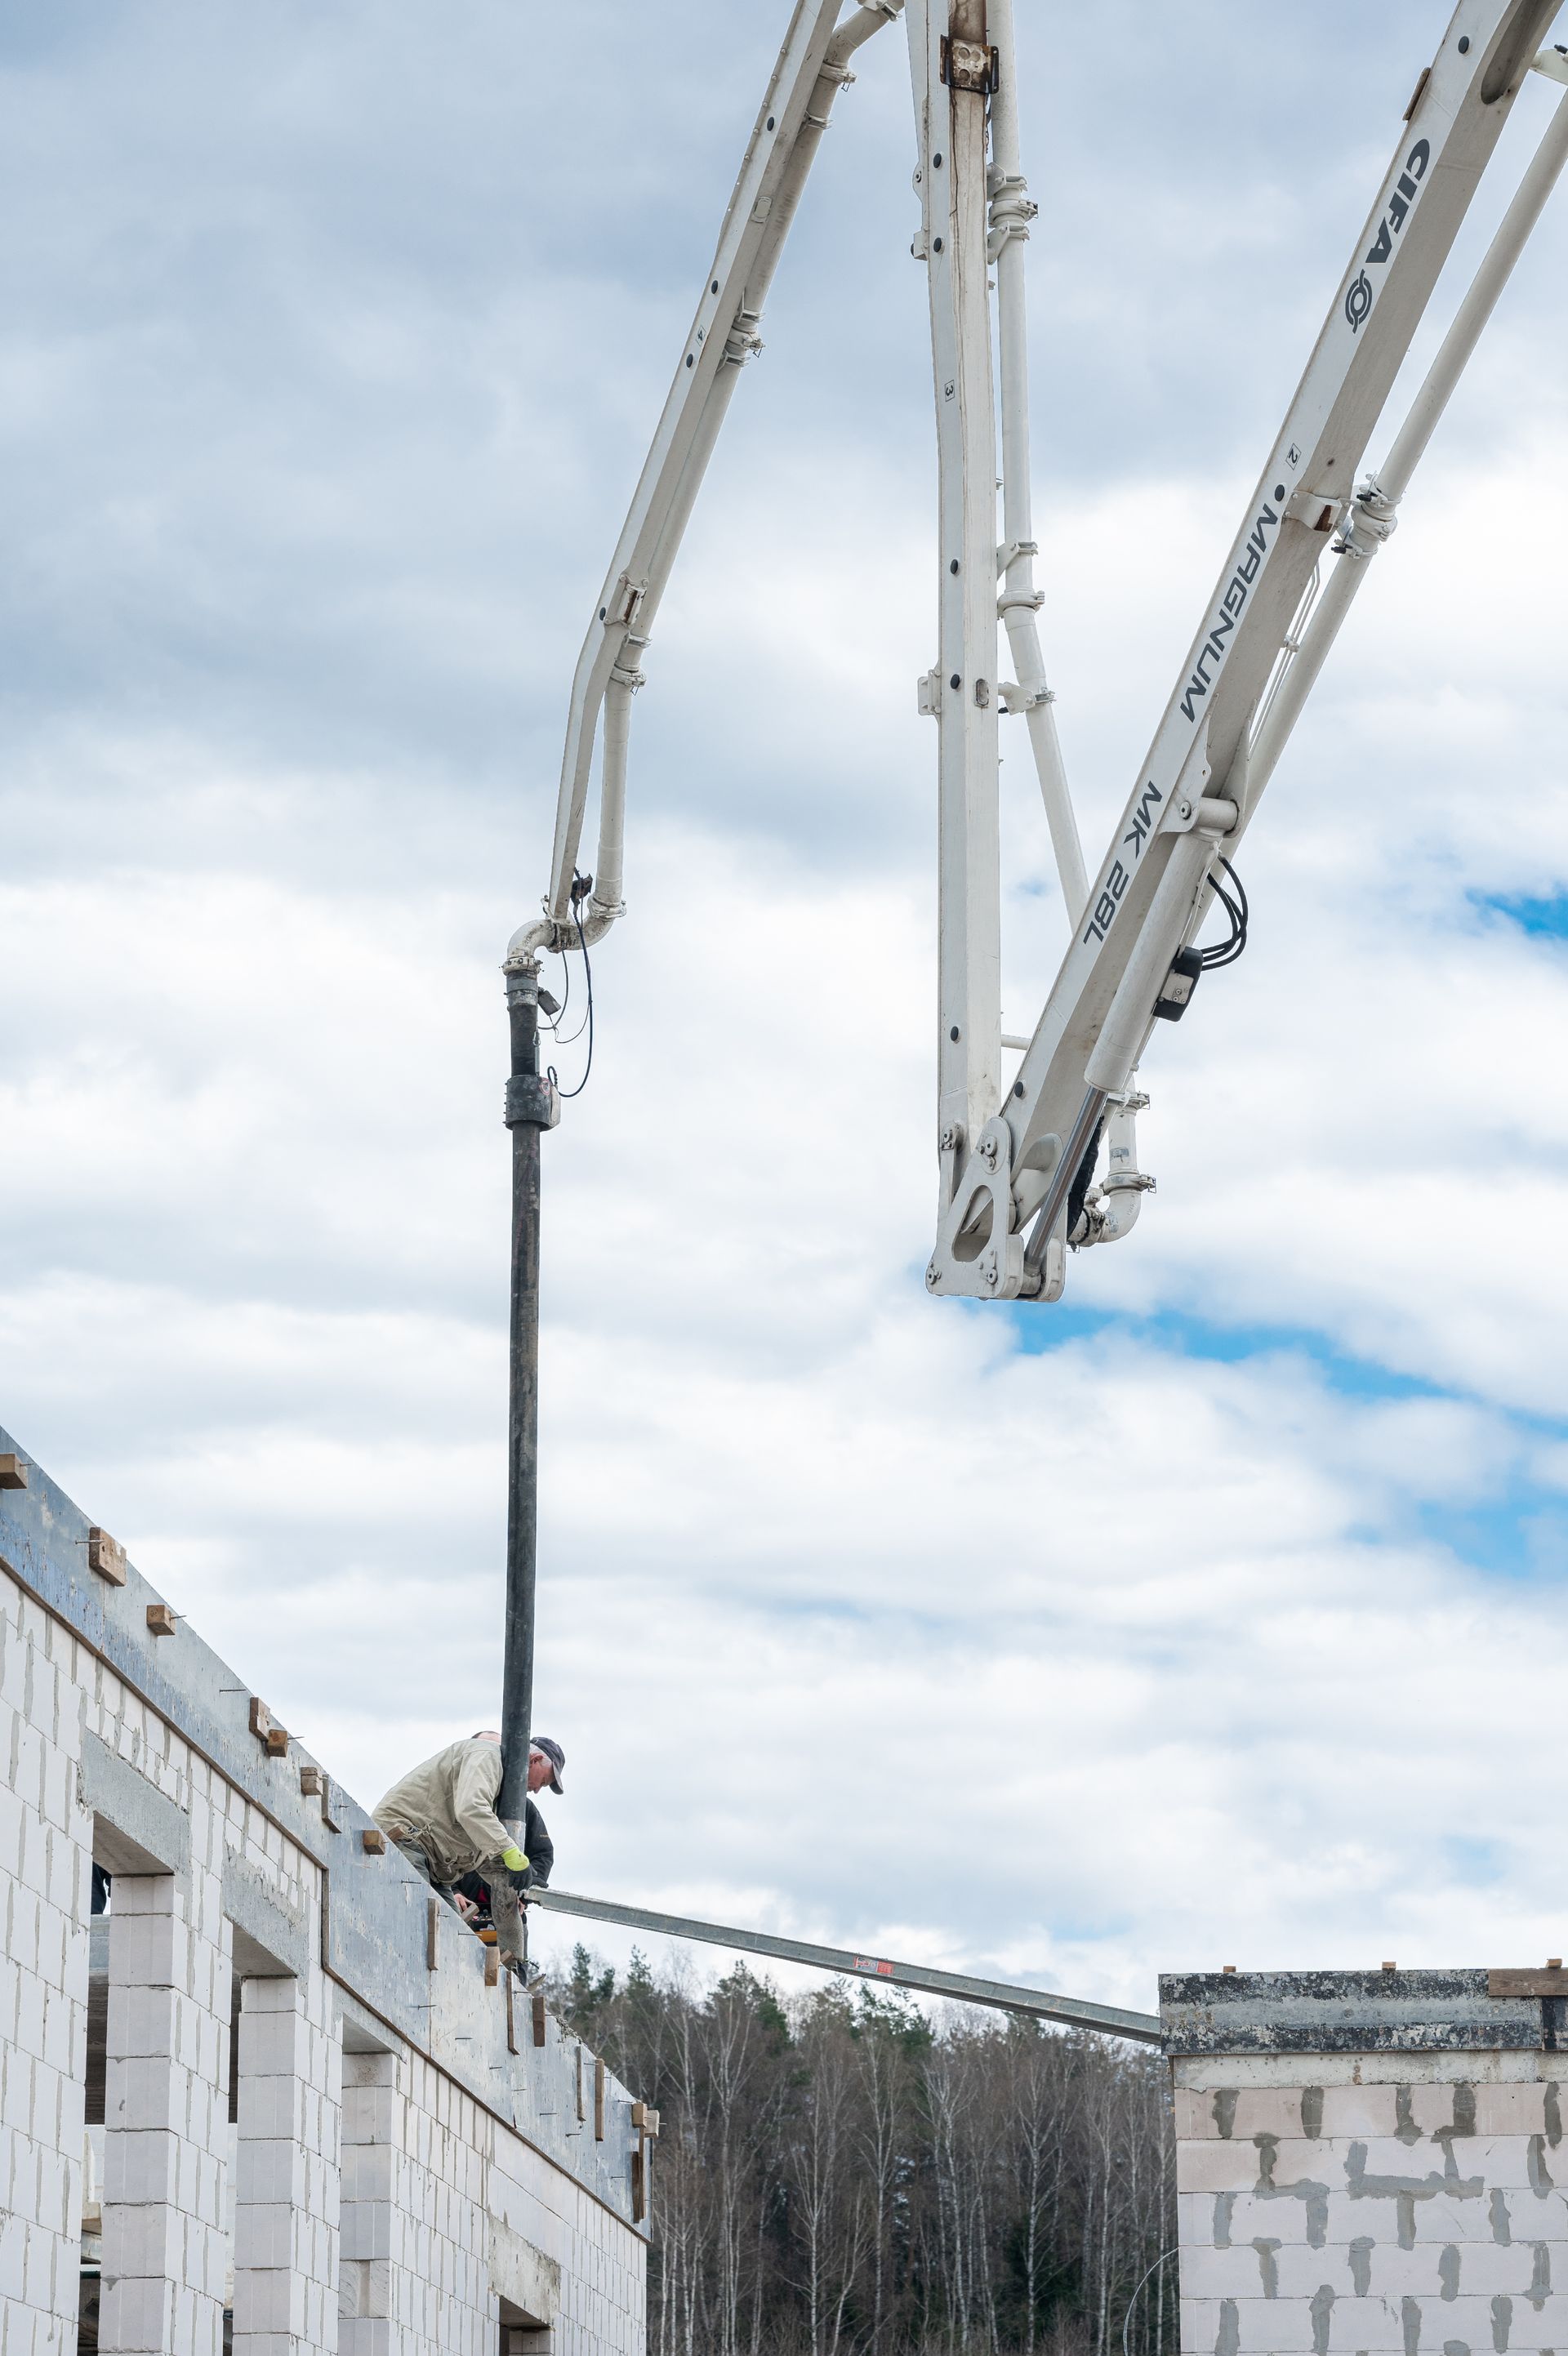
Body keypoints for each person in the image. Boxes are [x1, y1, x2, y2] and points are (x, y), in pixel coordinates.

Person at [372, 1730, 566, 1914]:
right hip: (404, 1839)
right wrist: (511, 1851)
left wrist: (520, 1883)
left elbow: (481, 1852)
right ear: (535, 1760)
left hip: (432, 1861)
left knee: (450, 1929)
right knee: (418, 1920)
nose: (537, 1790)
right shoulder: (487, 1756)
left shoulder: (498, 1792)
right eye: (543, 1782)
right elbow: (471, 1809)